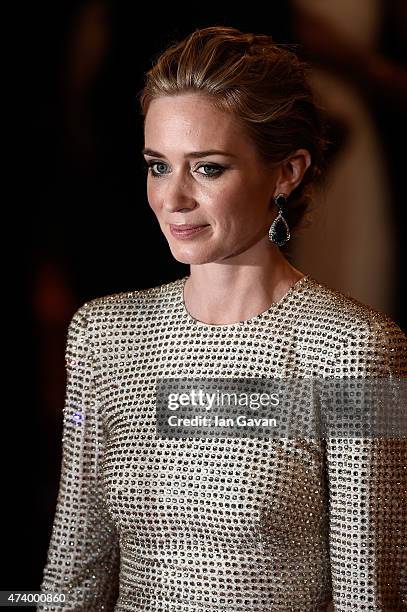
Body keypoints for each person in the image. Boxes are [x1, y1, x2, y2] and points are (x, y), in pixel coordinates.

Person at [38, 26, 407, 611]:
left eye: (207, 168)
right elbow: (73, 573)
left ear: (286, 173)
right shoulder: (100, 336)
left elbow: (372, 593)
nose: (173, 198)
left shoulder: (362, 351)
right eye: (158, 166)